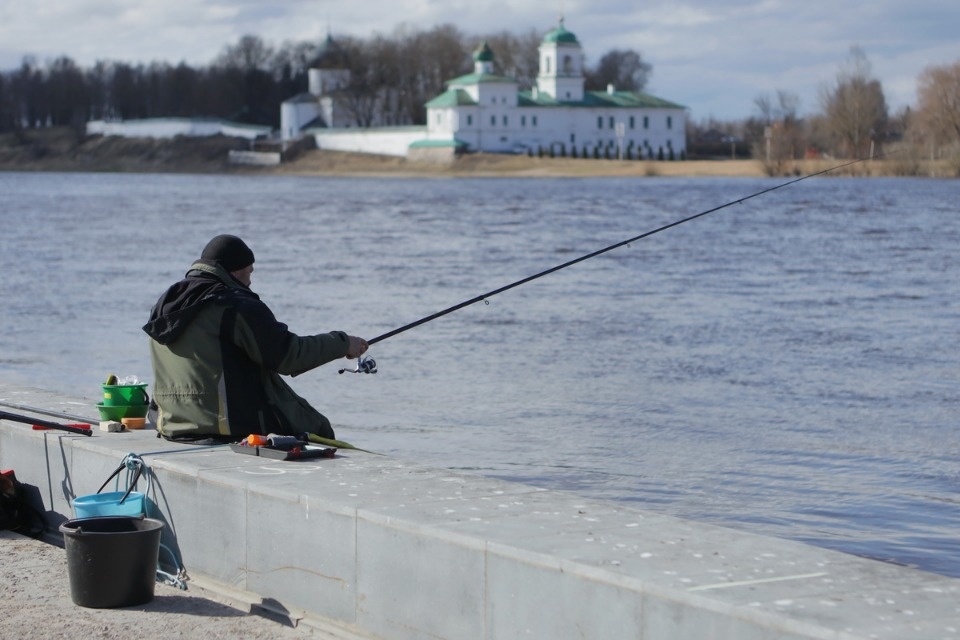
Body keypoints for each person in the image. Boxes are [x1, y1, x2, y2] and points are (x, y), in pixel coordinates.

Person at [142, 234, 367, 443]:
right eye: (250, 272)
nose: (250, 281)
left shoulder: (166, 305)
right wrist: (343, 343)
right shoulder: (235, 305)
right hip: (228, 427)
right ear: (235, 271)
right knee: (319, 429)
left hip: (172, 426)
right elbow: (289, 356)